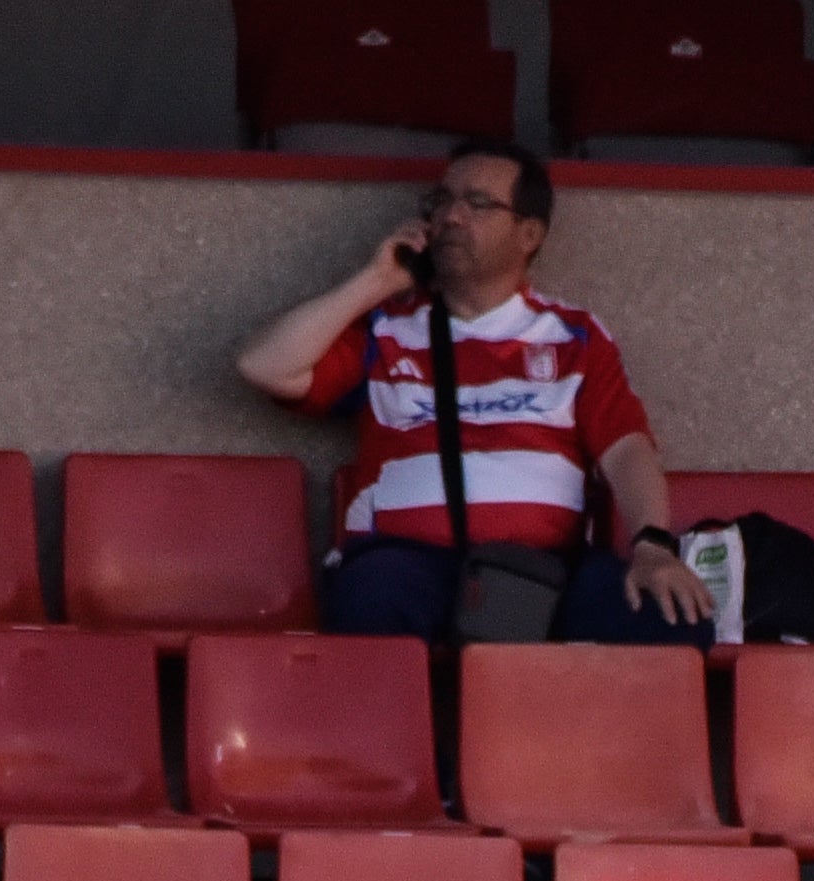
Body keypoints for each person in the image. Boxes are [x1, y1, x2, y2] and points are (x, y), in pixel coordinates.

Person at [234, 137, 715, 640]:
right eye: (442, 201)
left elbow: (627, 451)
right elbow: (263, 366)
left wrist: (653, 547)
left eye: (478, 203)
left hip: (544, 571)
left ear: (528, 233)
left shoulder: (574, 337)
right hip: (406, 564)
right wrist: (375, 281)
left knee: (672, 621)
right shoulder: (385, 330)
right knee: (369, 607)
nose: (452, 217)